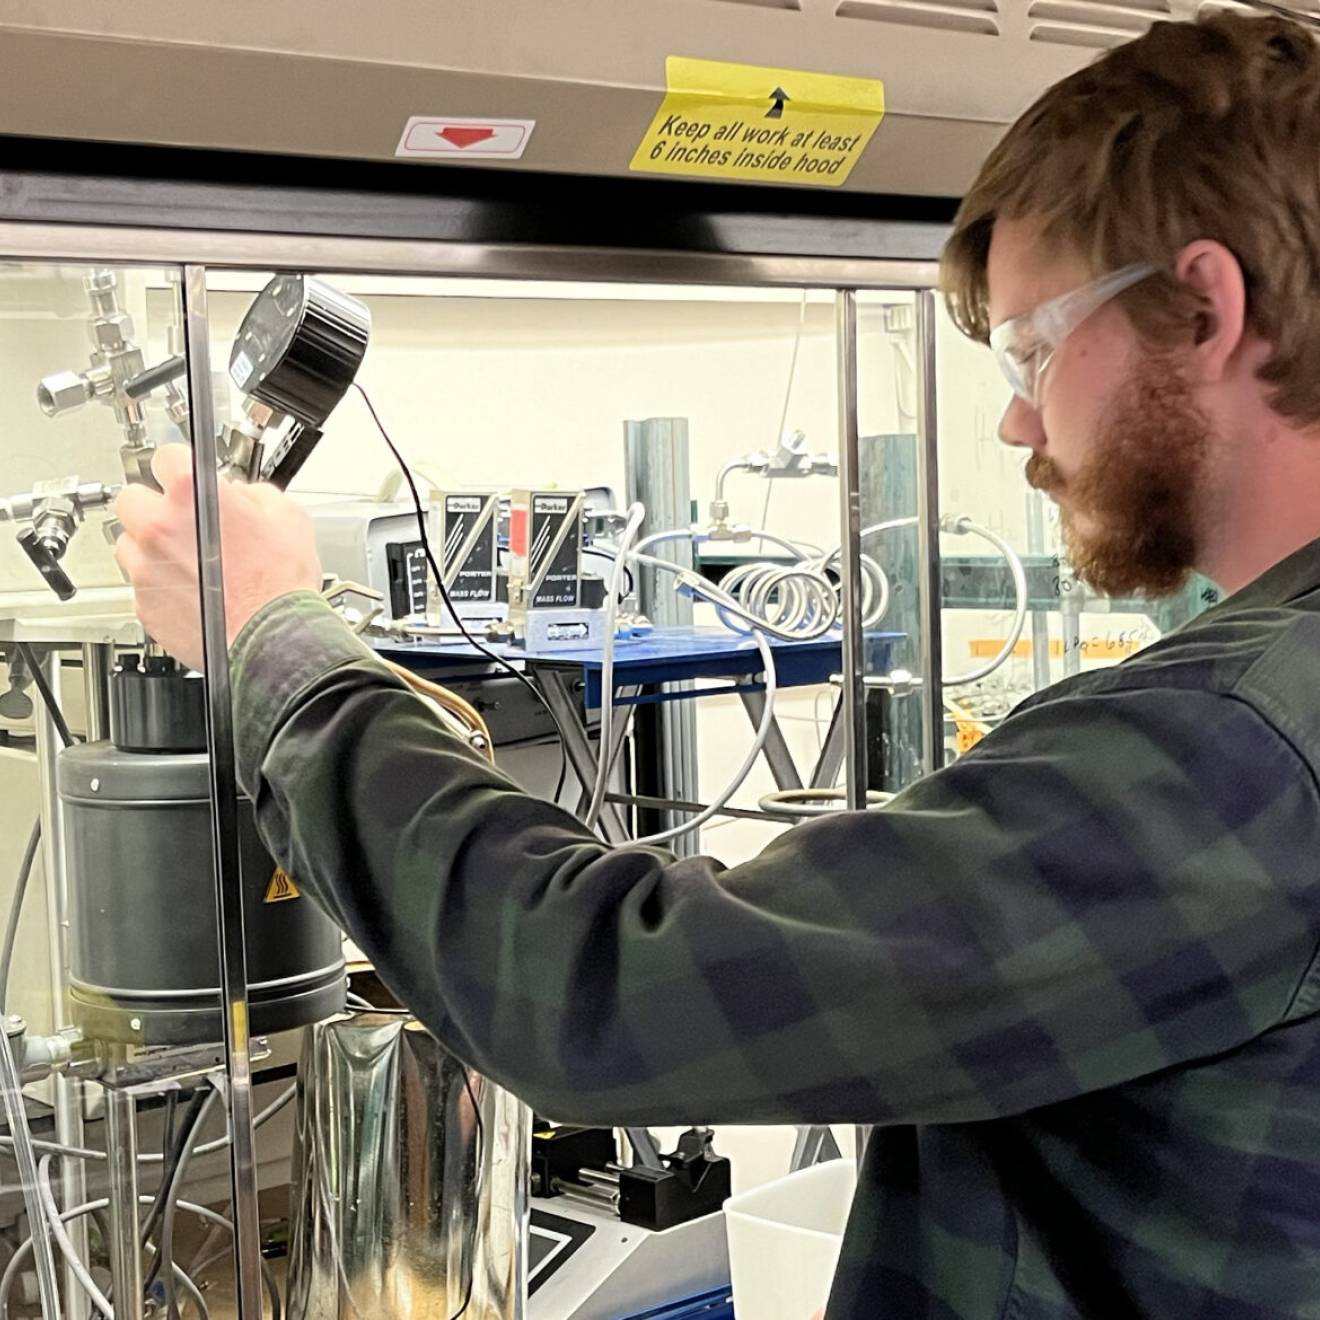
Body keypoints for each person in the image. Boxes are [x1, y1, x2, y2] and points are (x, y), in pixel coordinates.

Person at [114, 12, 1320, 1317]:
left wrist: (270, 633)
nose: (1018, 419)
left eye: (1032, 346)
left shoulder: (1224, 750)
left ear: (1206, 305)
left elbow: (598, 991)